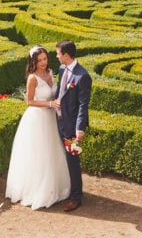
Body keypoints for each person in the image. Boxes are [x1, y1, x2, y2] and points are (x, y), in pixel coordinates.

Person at [5, 45, 70, 210]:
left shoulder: (50, 72)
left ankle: (55, 187)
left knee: (53, 152)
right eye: (39, 60)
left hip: (51, 118)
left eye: (45, 59)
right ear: (33, 61)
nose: (43, 62)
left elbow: (56, 92)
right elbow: (30, 102)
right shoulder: (32, 78)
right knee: (40, 154)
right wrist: (50, 103)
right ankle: (38, 190)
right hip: (37, 120)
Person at [53, 40, 92, 212]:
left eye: (58, 54)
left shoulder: (83, 76)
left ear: (66, 55)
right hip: (59, 121)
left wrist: (79, 129)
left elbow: (84, 105)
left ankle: (76, 197)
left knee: (73, 160)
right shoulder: (62, 69)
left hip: (71, 127)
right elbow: (61, 92)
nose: (56, 56)